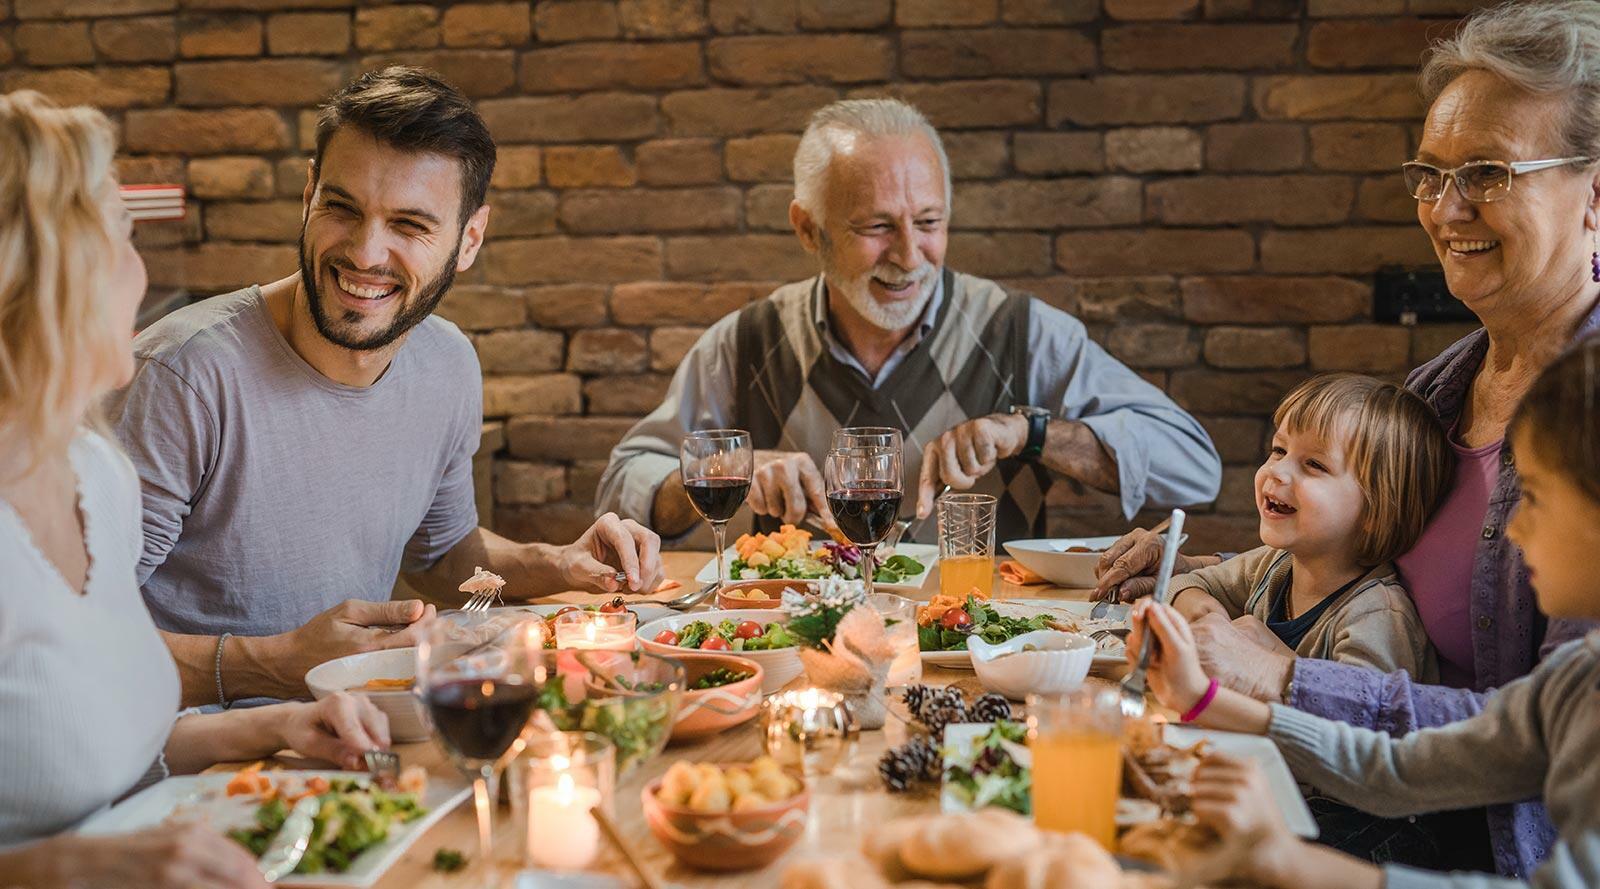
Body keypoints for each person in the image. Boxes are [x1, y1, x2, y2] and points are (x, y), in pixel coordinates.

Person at [1090, 2, 1600, 875]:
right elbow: (1362, 573)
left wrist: (1284, 678)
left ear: (1595, 194)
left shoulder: (1583, 428)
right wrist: (1199, 573)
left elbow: (1544, 736)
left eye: (1486, 171)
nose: (1446, 208)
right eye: (1430, 174)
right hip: (1347, 796)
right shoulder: (1438, 392)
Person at [108, 67, 664, 709]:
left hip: (359, 738)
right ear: (309, 193)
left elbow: (445, 561)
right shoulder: (184, 376)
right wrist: (274, 664)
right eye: (342, 208)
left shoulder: (449, 364)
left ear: (469, 240)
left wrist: (559, 563)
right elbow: (66, 638)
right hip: (187, 766)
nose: (367, 253)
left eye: (409, 225)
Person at [0, 89, 389, 889]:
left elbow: (103, 750)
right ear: (49, 281)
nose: (144, 276)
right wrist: (68, 868)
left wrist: (282, 724)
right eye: (125, 238)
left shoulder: (92, 472)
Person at [597, 98, 1220, 545]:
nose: (908, 255)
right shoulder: (745, 343)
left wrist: (1029, 435)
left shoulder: (1019, 333)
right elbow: (621, 487)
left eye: (928, 222)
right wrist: (726, 469)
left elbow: (1194, 467)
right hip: (794, 658)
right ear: (807, 228)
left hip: (980, 652)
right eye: (875, 227)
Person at [1127, 335, 1600, 889]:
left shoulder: (1382, 613)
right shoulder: (1575, 680)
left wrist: (1286, 862)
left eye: (1536, 499)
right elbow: (1394, 765)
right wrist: (1204, 697)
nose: (1513, 532)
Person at [1168, 374, 1450, 677]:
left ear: (1375, 511)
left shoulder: (1377, 617)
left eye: (1315, 464)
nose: (1277, 471)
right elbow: (1187, 583)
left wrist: (1267, 657)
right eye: (1279, 450)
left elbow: (1364, 712)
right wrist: (1214, 623)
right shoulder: (1275, 564)